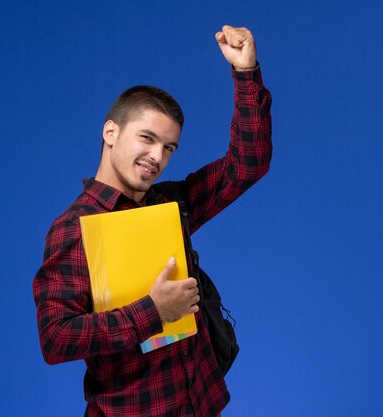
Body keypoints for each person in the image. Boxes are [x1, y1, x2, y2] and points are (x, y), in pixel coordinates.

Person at [32, 25, 272, 417]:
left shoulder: (171, 202)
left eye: (168, 147)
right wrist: (153, 311)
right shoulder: (74, 228)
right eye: (146, 138)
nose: (156, 157)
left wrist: (246, 75)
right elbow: (55, 338)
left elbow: (247, 165)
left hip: (200, 405)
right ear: (111, 132)